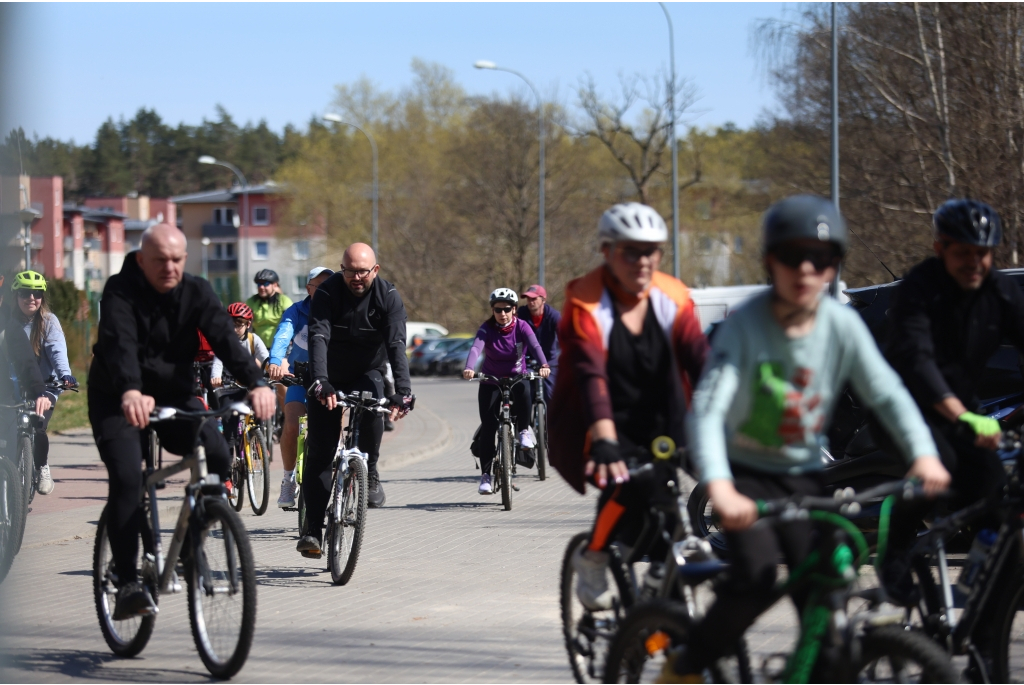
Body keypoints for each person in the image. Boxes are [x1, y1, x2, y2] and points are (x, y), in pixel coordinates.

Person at [668, 195, 949, 680]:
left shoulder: (840, 324)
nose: (805, 269)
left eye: (819, 259)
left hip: (802, 472)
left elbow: (887, 394)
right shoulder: (747, 326)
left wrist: (924, 455)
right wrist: (719, 486)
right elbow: (709, 411)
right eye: (791, 256)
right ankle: (684, 667)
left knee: (829, 585)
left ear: (834, 266)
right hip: (745, 474)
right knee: (755, 581)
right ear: (769, 262)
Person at [88, 223, 275, 620]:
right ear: (142, 260)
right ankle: (127, 581)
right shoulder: (121, 290)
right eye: (160, 260)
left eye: (176, 259)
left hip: (173, 393)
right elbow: (119, 344)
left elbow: (226, 339)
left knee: (220, 453)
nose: (169, 268)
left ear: (185, 260)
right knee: (127, 480)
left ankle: (194, 540)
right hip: (118, 396)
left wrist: (257, 383)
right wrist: (130, 390)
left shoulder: (196, 291)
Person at [547, 202, 708, 610]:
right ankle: (594, 556)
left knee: (680, 514)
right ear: (607, 251)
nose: (642, 261)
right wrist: (604, 439)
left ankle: (663, 614)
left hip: (667, 415)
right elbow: (591, 376)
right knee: (624, 483)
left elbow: (702, 363)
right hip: (607, 419)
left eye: (651, 251)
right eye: (630, 251)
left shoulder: (673, 296)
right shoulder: (586, 303)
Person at [880, 198, 1024, 599]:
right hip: (903, 407)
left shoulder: (1000, 290)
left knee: (996, 489)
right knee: (937, 469)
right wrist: (964, 417)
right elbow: (919, 365)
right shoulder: (918, 290)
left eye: (983, 254)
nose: (974, 263)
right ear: (939, 248)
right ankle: (895, 549)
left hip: (962, 406)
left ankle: (985, 607)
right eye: (963, 253)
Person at [298, 243, 414, 557]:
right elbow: (318, 336)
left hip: (368, 371)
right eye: (351, 271)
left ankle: (369, 470)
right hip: (328, 375)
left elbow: (396, 344)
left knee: (375, 407)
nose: (357, 277)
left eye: (364, 271)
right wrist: (320, 382)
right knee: (320, 450)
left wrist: (402, 392)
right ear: (342, 269)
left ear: (375, 270)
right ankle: (312, 530)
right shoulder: (327, 293)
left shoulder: (387, 296)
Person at [462, 288, 550, 495]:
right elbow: (476, 348)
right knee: (489, 427)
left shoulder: (522, 326)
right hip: (491, 380)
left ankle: (523, 431)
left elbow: (535, 345)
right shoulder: (487, 328)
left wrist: (544, 364)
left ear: (514, 310)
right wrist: (469, 367)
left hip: (516, 376)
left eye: (507, 309)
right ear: (492, 310)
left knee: (525, 391)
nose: (502, 314)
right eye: (497, 310)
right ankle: (485, 476)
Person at [267, 266, 334, 508]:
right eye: (320, 286)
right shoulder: (296, 311)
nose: (326, 290)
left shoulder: (340, 309)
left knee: (335, 432)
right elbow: (283, 335)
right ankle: (288, 480)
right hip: (300, 377)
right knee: (292, 424)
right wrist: (276, 361)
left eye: (330, 285)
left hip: (330, 380)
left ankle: (338, 479)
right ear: (308, 289)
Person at [10, 270, 76, 495]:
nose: (31, 298)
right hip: (14, 387)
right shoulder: (8, 323)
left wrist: (65, 375)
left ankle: (41, 466)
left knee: (38, 426)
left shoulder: (48, 322)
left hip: (46, 387)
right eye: (25, 292)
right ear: (15, 295)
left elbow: (58, 352)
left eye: (37, 293)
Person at [210, 302, 270, 454]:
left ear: (248, 324)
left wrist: (273, 368)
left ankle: (257, 438)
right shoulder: (225, 340)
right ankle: (229, 469)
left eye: (239, 324)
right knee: (229, 430)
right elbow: (218, 361)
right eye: (231, 323)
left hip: (249, 386)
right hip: (228, 388)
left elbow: (265, 358)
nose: (234, 328)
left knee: (260, 408)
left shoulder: (253, 339)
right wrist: (216, 377)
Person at [516, 284, 560, 404]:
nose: (531, 302)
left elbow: (564, 337)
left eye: (534, 299)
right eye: (528, 299)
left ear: (543, 299)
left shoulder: (554, 316)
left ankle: (550, 422)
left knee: (551, 395)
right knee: (523, 394)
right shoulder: (521, 314)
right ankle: (523, 421)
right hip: (527, 360)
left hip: (549, 361)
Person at [247, 269, 293, 348]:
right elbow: (246, 325)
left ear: (275, 285)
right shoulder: (251, 302)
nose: (261, 287)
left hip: (280, 347)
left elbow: (291, 323)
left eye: (266, 284)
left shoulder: (284, 301)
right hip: (258, 348)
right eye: (259, 284)